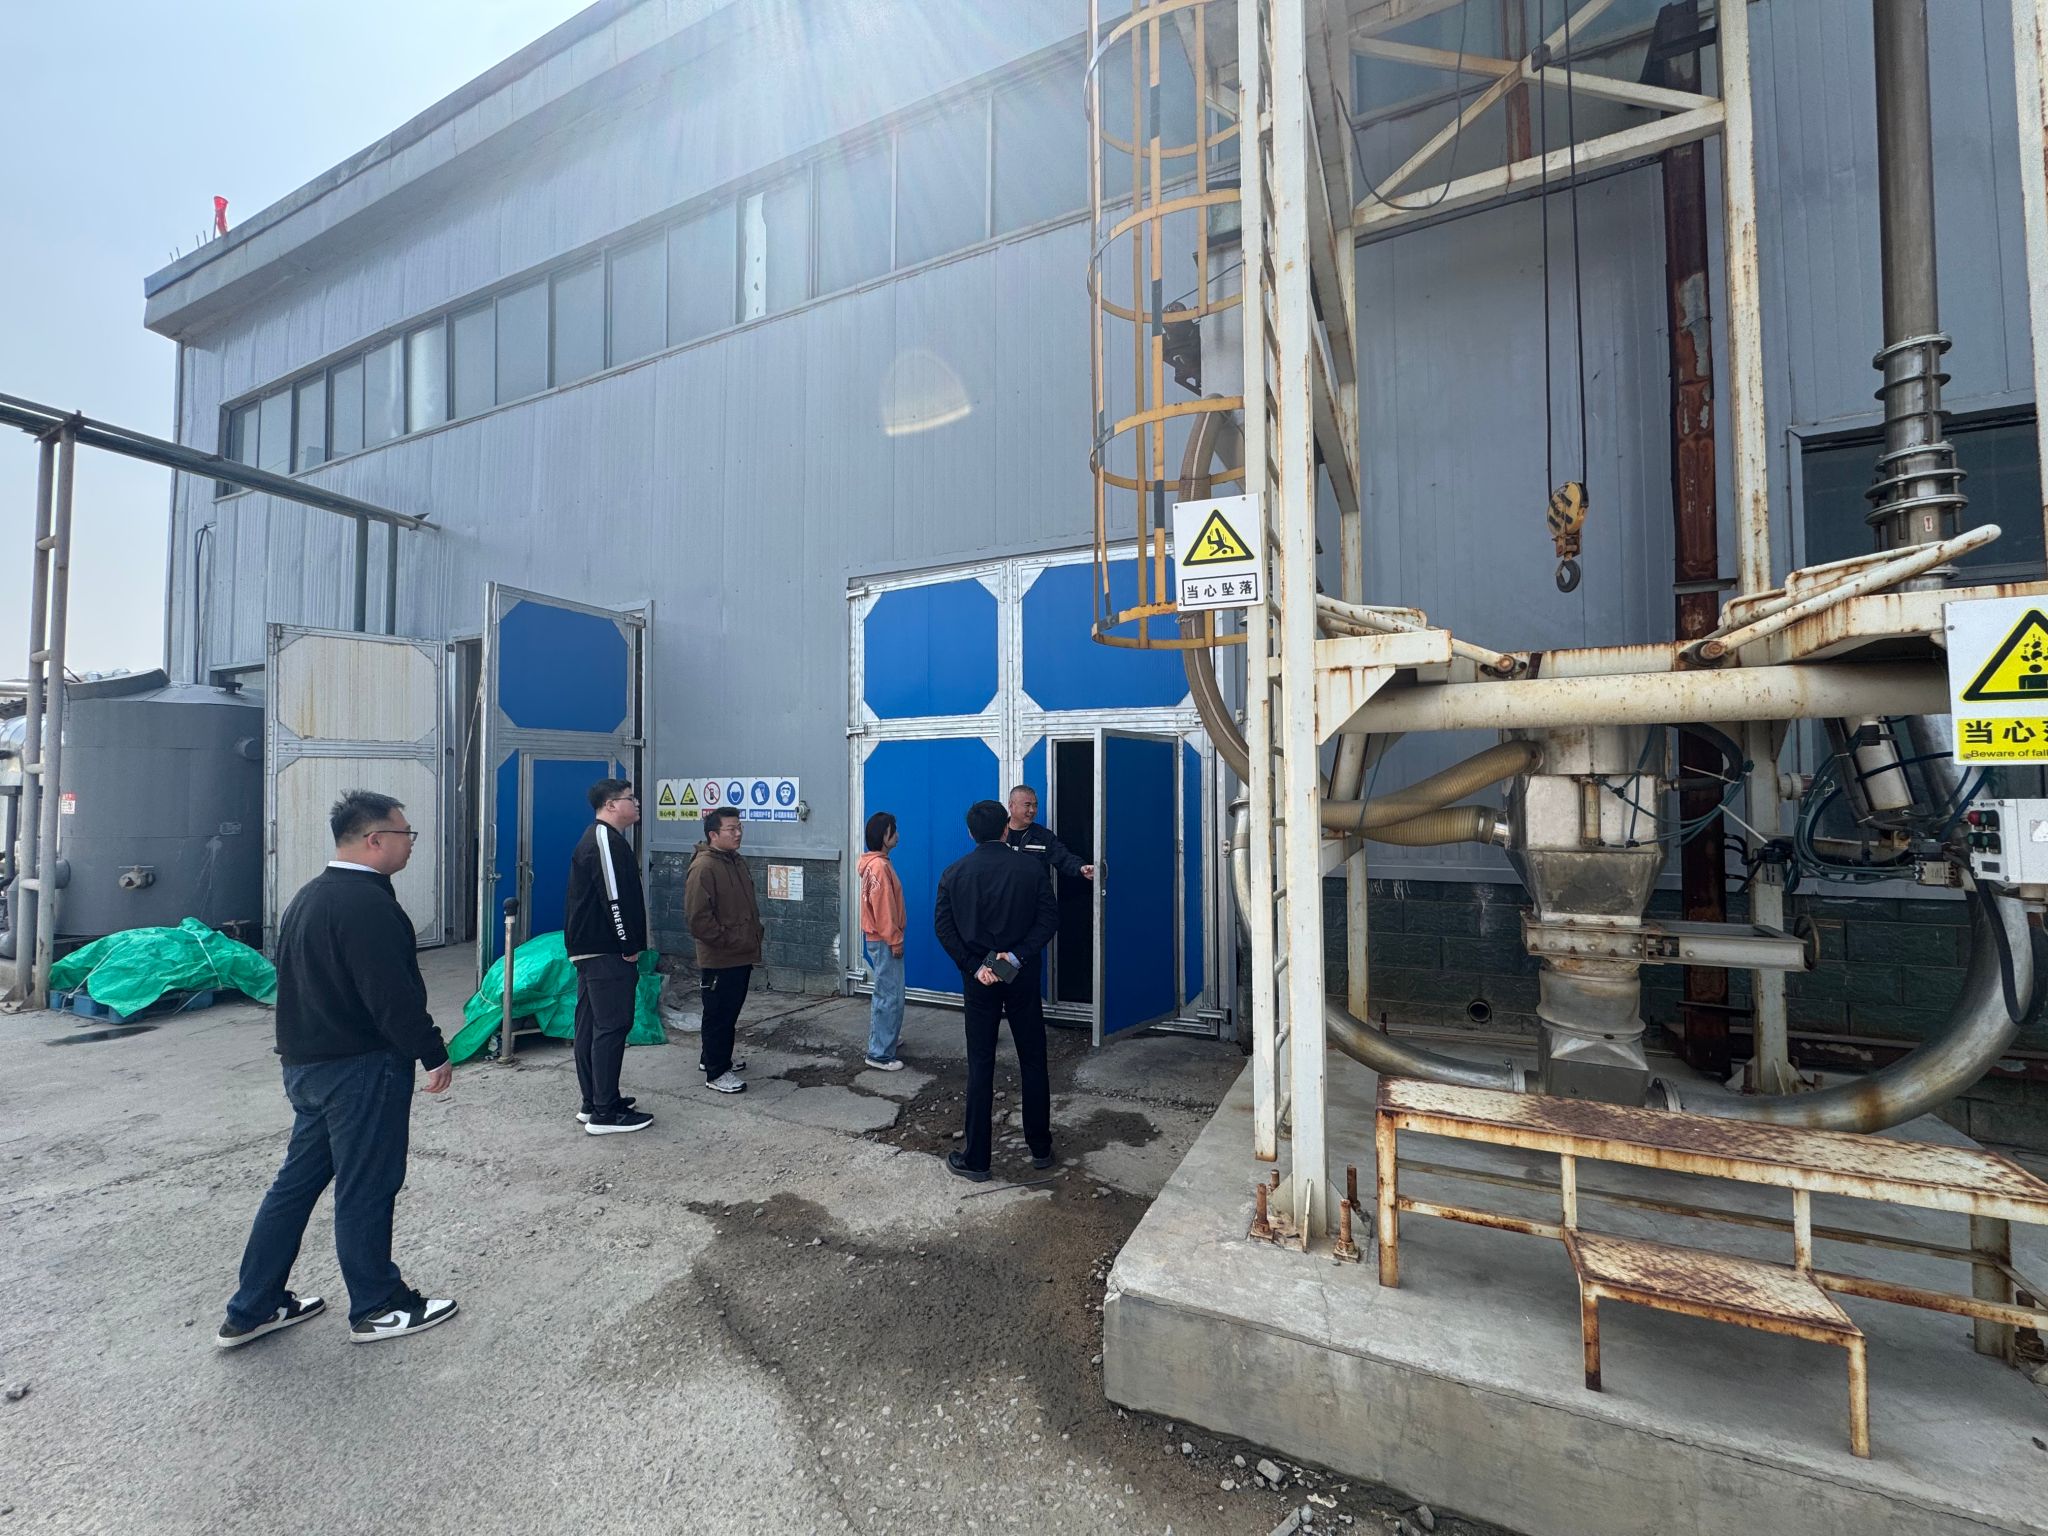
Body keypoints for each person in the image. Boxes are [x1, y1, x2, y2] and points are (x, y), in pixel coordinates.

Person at [215, 790, 458, 1349]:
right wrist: (432, 1050)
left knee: (294, 1187)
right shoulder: (367, 905)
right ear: (375, 840)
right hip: (360, 1069)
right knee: (367, 1185)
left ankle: (253, 1306)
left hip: (307, 1068)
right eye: (406, 834)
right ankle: (378, 1305)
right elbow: (391, 995)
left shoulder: (309, 897)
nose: (411, 844)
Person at [933, 799, 1059, 1183]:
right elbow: (1049, 919)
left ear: (970, 833)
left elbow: (944, 929)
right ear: (1006, 828)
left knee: (981, 1064)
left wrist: (977, 966)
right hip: (1021, 976)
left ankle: (977, 1159)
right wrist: (1015, 957)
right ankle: (1040, 1147)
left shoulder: (954, 874)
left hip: (980, 981)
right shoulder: (1031, 869)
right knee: (1032, 1059)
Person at [565, 778, 653, 1135]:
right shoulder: (603, 839)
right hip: (605, 951)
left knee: (593, 1025)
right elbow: (614, 898)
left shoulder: (607, 839)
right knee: (611, 1026)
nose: (636, 803)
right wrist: (628, 945)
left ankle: (596, 1101)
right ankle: (604, 1114)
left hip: (595, 951)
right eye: (630, 798)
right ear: (611, 805)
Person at [685, 806, 762, 1094]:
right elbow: (698, 919)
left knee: (728, 1012)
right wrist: (728, 940)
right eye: (731, 829)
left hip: (740, 951)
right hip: (721, 956)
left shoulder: (734, 860)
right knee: (718, 1013)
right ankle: (717, 1072)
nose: (738, 833)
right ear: (713, 835)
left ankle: (713, 1058)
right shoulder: (704, 867)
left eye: (739, 827)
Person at [857, 810, 907, 1071]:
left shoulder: (877, 864)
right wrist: (895, 939)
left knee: (888, 992)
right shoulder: (879, 866)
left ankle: (886, 1039)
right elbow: (884, 908)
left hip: (881, 938)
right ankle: (879, 1053)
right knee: (889, 995)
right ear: (884, 836)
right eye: (893, 831)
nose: (897, 835)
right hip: (884, 940)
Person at [1002, 785, 1095, 883]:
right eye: (1027, 805)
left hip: (1035, 892)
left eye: (1035, 805)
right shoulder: (997, 833)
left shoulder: (1043, 836)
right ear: (1011, 806)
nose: (1032, 810)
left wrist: (1081, 868)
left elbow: (1063, 858)